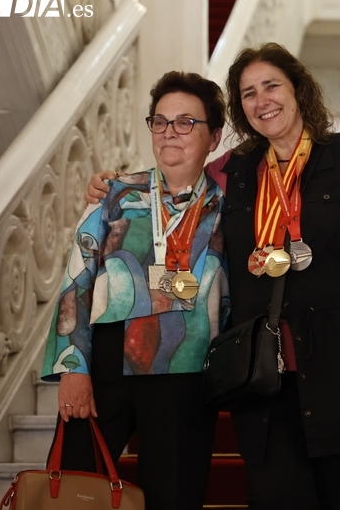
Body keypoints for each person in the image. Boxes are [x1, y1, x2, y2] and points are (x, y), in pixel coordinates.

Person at [85, 43, 340, 510]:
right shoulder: (233, 173)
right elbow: (174, 177)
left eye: (272, 86)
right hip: (261, 378)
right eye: (248, 93)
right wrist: (114, 185)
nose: (261, 99)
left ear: (298, 90)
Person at [41, 71, 230, 510]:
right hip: (106, 363)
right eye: (160, 121)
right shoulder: (116, 194)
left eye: (186, 122)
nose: (169, 133)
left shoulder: (230, 204)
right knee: (75, 494)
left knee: (174, 498)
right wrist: (73, 367)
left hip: (188, 368)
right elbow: (79, 280)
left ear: (214, 137)